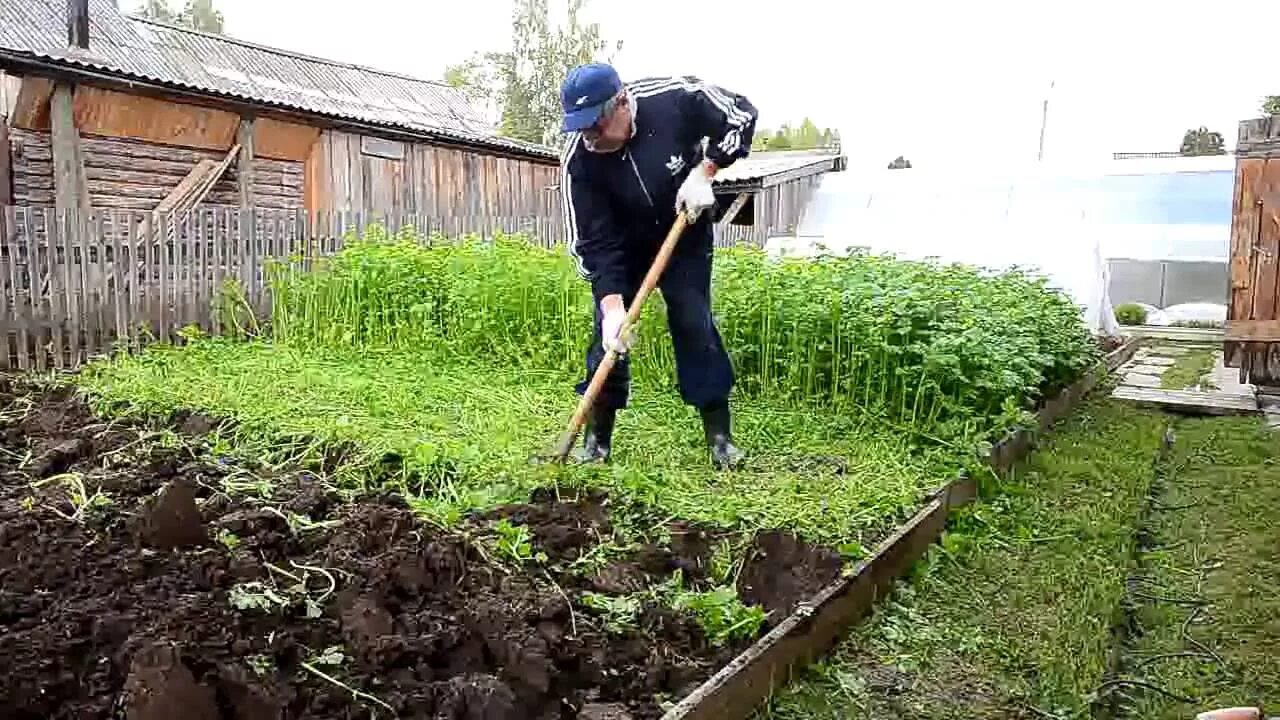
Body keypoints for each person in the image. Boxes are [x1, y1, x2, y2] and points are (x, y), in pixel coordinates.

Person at [557, 62, 758, 469]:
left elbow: (742, 115)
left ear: (623, 103)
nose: (589, 137)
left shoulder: (675, 99)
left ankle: (720, 438)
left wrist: (706, 171)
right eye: (580, 128)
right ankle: (597, 442)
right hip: (624, 248)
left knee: (693, 320)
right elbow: (594, 243)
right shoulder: (580, 162)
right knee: (607, 337)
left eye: (595, 125)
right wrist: (613, 310)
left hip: (684, 230)